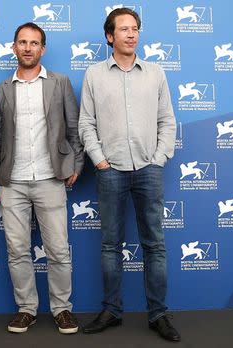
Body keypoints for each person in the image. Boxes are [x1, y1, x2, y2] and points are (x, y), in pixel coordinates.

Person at [78, 8, 180, 342]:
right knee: (110, 245)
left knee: (155, 245)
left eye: (135, 28)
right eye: (123, 29)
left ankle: (158, 314)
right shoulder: (94, 75)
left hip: (148, 169)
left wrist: (159, 157)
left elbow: (167, 120)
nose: (131, 34)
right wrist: (100, 161)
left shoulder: (155, 73)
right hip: (110, 171)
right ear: (110, 36)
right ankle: (111, 310)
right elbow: (86, 123)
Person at [0, 22, 83, 334]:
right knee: (17, 250)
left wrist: (76, 165)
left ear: (43, 48)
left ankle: (62, 309)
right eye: (23, 42)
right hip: (12, 182)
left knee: (58, 250)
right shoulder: (2, 90)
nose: (28, 48)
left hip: (51, 178)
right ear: (14, 48)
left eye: (34, 43)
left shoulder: (60, 82)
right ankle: (26, 309)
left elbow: (73, 127)